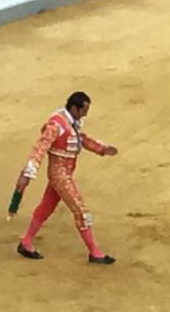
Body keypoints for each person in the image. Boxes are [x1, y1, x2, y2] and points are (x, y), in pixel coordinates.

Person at [9, 91, 119, 264]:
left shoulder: (71, 121)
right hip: (59, 174)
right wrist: (29, 172)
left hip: (63, 173)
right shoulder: (56, 124)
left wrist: (101, 148)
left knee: (46, 207)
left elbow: (80, 139)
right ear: (74, 108)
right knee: (80, 210)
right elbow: (40, 147)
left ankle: (26, 242)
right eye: (84, 110)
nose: (86, 114)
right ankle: (94, 252)